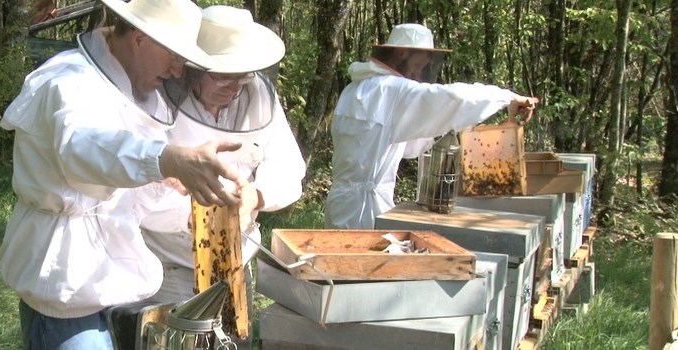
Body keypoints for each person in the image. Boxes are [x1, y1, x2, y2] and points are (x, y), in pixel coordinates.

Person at [0, 0, 247, 348]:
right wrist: (165, 160)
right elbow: (83, 148)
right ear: (140, 39)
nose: (177, 71)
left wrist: (173, 194)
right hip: (63, 278)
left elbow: (124, 197)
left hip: (111, 279)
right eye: (174, 55)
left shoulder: (142, 93)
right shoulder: (68, 80)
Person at [141, 5, 306, 348]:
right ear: (192, 68)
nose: (234, 88)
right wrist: (196, 215)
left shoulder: (258, 96)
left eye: (242, 76)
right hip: (170, 265)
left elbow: (290, 169)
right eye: (223, 76)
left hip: (236, 263)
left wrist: (256, 196)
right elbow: (135, 190)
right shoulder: (153, 96)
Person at [324, 23, 539, 230]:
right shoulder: (393, 91)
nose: (419, 73)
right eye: (418, 65)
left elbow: (409, 149)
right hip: (367, 210)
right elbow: (453, 97)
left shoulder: (354, 89)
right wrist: (506, 98)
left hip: (340, 204)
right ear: (401, 56)